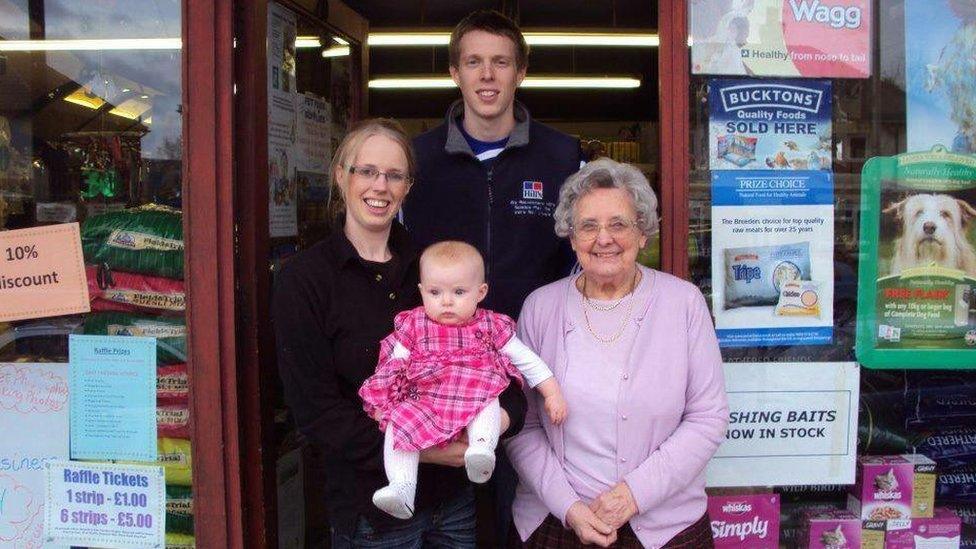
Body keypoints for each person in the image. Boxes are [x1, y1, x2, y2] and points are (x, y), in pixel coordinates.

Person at [273, 119, 527, 548]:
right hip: (373, 513)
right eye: (367, 171)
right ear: (342, 176)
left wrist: (500, 420)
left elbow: (496, 358)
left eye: (394, 175)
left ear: (408, 186)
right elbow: (315, 412)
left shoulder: (433, 269)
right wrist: (426, 449)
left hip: (456, 501)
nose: (381, 185)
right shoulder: (305, 280)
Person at [402, 10, 583, 539]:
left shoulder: (561, 155)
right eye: (474, 62)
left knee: (527, 509)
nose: (487, 75)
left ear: (520, 72)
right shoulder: (419, 160)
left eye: (500, 63)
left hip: (535, 364)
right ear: (455, 73)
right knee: (457, 513)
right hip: (442, 373)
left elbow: (578, 259)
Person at [506, 158, 729, 548]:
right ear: (571, 238)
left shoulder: (684, 303)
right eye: (588, 226)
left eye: (619, 224)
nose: (603, 238)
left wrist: (631, 496)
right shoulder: (541, 307)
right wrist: (570, 507)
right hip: (556, 522)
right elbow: (521, 424)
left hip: (665, 528)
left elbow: (707, 418)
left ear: (644, 233)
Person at [359, 241, 567, 520]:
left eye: (458, 292)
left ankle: (481, 449)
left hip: (473, 388)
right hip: (424, 399)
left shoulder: (489, 326)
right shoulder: (414, 324)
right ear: (421, 291)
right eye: (435, 292)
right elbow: (395, 362)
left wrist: (551, 392)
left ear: (480, 292)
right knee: (399, 425)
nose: (446, 301)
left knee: (489, 400)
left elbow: (525, 359)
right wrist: (386, 397)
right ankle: (401, 487)